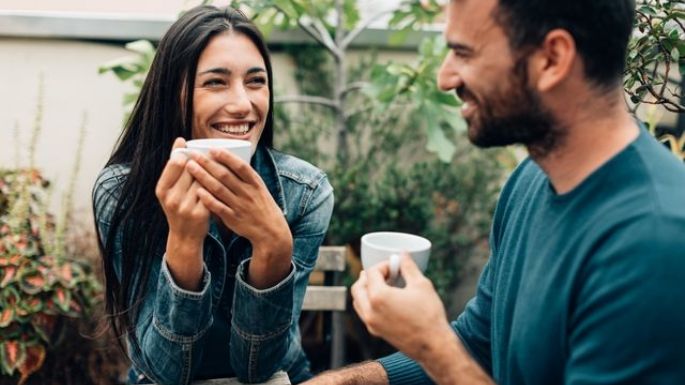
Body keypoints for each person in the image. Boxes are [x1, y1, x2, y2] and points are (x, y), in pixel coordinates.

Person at [303, 0, 685, 384]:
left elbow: (453, 354)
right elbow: (479, 343)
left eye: (463, 53)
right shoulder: (531, 179)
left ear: (552, 59)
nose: (445, 78)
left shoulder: (654, 242)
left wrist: (432, 345)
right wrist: (338, 382)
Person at [92, 5, 334, 385]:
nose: (242, 104)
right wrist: (185, 242)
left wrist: (272, 245)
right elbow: (164, 371)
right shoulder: (121, 193)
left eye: (256, 81)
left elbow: (259, 368)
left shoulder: (304, 193)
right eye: (216, 82)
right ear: (174, 94)